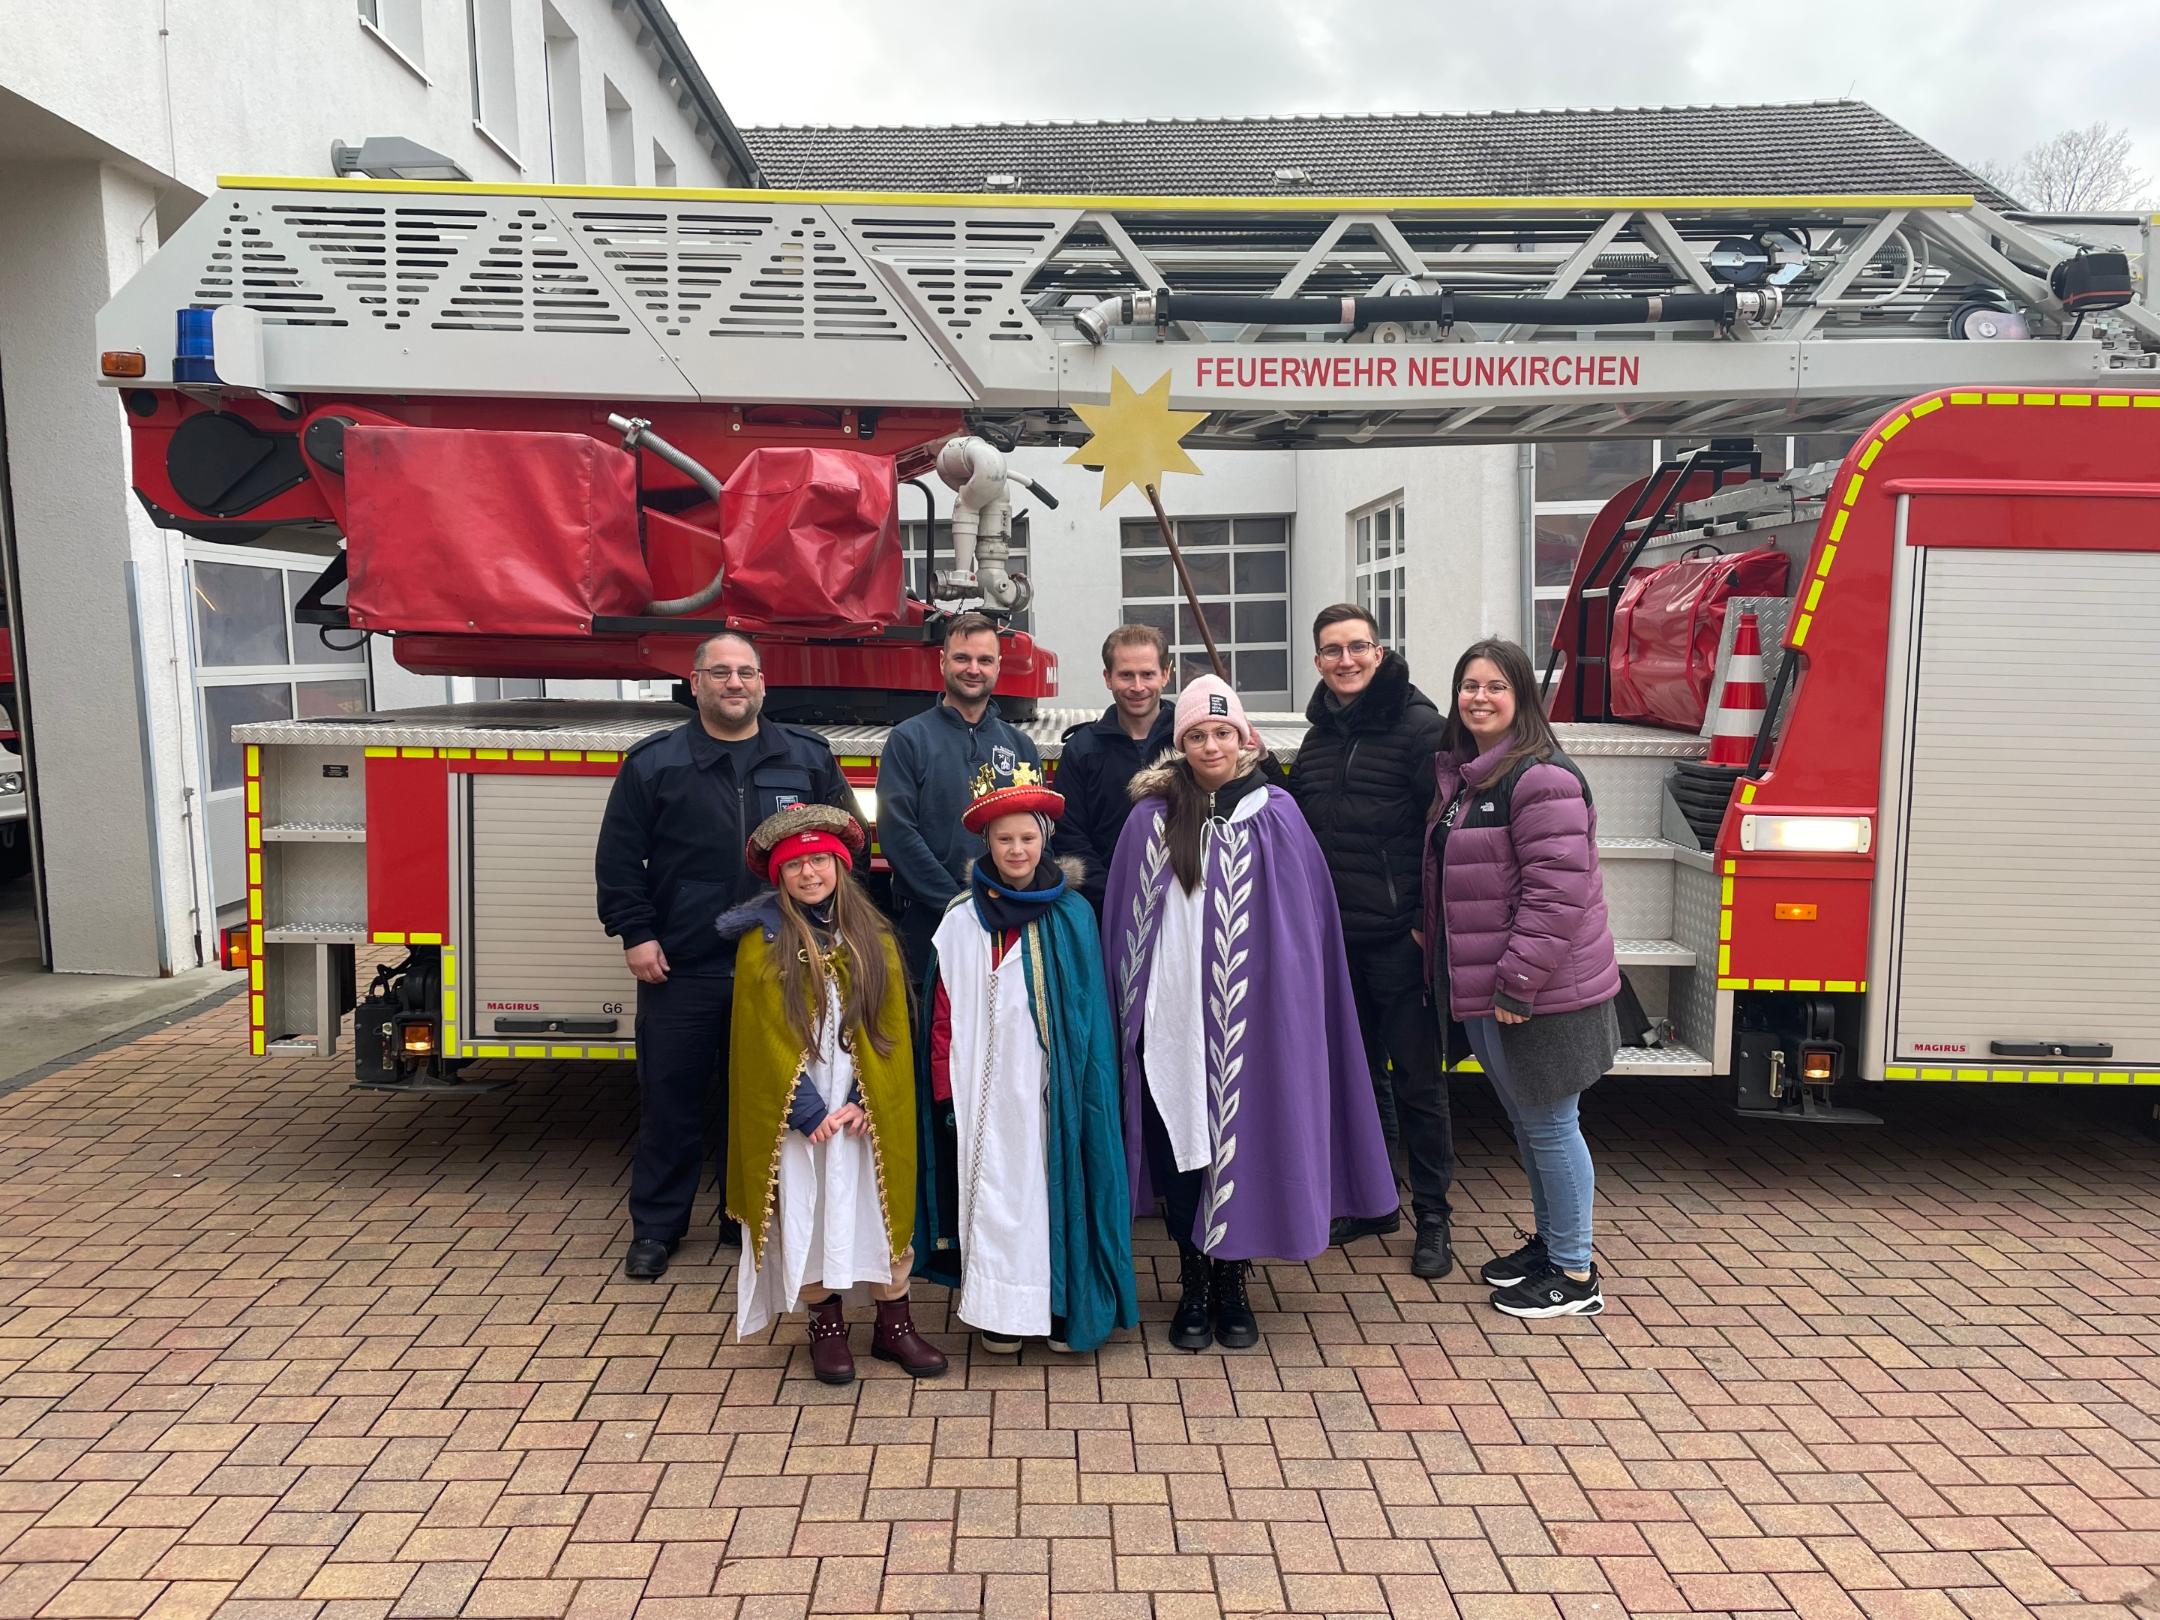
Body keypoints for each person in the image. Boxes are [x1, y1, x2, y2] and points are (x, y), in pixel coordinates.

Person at [1104, 674, 1397, 1352]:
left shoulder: (1275, 814)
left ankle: (1234, 1282)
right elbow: (1126, 924)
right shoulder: (1150, 817)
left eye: (1222, 732)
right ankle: (1193, 1282)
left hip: (1253, 1022)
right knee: (1182, 1148)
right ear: (1180, 743)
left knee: (1243, 1140)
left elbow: (1304, 929)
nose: (1211, 744)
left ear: (1243, 739)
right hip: (1171, 1022)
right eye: (1198, 734)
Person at [596, 630, 865, 1282]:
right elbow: (618, 857)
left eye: (746, 672)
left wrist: (836, 933)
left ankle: (743, 1217)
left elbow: (846, 847)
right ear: (696, 683)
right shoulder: (655, 763)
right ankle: (657, 1229)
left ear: (763, 684)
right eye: (721, 672)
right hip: (685, 964)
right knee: (672, 1099)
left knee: (764, 1098)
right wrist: (635, 934)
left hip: (782, 965)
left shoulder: (805, 759)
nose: (735, 683)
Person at [1421, 637, 1621, 1319]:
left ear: (1522, 699)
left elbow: (1556, 893)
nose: (1479, 697)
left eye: (1496, 686)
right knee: (1530, 1123)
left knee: (1552, 1123)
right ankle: (1553, 1245)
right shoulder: (1473, 775)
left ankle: (1574, 1274)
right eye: (1469, 685)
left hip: (1535, 994)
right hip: (1490, 985)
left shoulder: (1539, 778)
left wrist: (1517, 983)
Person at [719, 805, 948, 1382]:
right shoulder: (761, 940)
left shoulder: (871, 935)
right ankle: (826, 1326)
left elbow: (890, 1024)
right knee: (811, 1209)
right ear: (779, 875)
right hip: (800, 1114)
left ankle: (894, 1325)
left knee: (878, 1203)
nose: (809, 873)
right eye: (795, 864)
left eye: (819, 859)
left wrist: (866, 1098)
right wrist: (804, 1108)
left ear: (840, 866)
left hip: (859, 1106)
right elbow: (760, 1036)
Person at [916, 763, 1138, 1354]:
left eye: (1027, 837)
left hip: (1052, 1089)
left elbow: (1092, 1019)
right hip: (981, 1095)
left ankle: (1062, 1303)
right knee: (994, 1196)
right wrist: (943, 1088)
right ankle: (1000, 1308)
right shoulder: (960, 918)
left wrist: (1082, 1087)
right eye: (1004, 838)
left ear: (1045, 840)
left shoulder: (1071, 915)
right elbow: (941, 1013)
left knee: (1056, 1190)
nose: (1016, 849)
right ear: (986, 842)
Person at [1287, 604, 1458, 1278]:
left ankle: (1435, 1218)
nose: (1346, 660)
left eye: (1358, 647)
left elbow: (1445, 833)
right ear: (1318, 660)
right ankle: (1374, 1198)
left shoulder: (1420, 728)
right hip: (1336, 940)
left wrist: (1425, 918)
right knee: (1359, 1078)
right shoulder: (1322, 735)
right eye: (1332, 650)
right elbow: (1303, 818)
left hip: (1398, 938)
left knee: (1419, 1083)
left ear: (1380, 652)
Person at [878, 612, 1042, 983]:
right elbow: (897, 834)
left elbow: (1039, 833)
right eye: (962, 658)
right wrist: (957, 904)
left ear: (999, 666)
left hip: (1007, 922)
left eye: (985, 660)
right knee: (934, 1035)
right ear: (942, 661)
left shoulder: (1020, 747)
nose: (973, 669)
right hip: (930, 922)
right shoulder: (909, 740)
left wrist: (1012, 902)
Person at [1052, 625, 1174, 914]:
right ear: (1107, 678)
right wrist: (1115, 897)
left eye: (1147, 674)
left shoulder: (1191, 741)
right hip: (1106, 911)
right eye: (1125, 675)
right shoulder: (1082, 751)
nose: (1137, 686)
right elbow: (1069, 837)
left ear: (1166, 674)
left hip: (1182, 913)